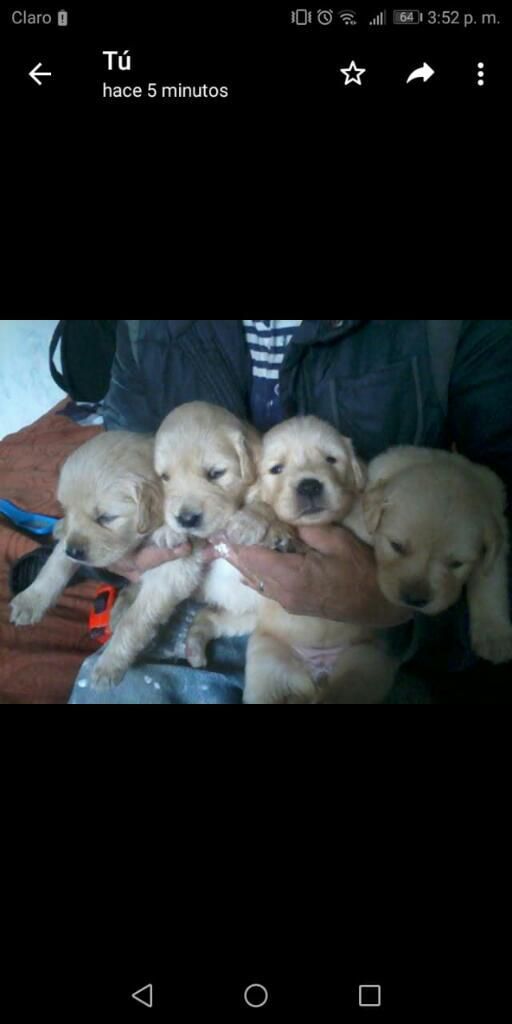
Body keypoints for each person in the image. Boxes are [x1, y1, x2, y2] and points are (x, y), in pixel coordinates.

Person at [68, 320, 512, 704]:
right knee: (110, 690)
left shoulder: (455, 330)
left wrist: (391, 606)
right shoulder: (145, 328)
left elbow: (492, 514)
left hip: (389, 630)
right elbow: (118, 477)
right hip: (213, 600)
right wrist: (116, 554)